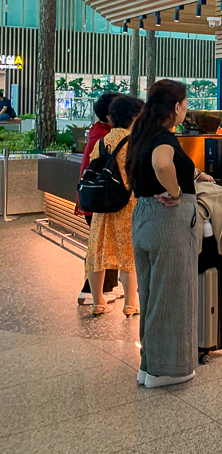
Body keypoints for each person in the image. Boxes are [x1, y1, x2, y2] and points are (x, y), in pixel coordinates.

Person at [127, 79, 214, 388]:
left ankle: (149, 364)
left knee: (151, 294)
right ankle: (169, 370)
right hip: (168, 220)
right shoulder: (163, 137)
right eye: (186, 103)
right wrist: (175, 190)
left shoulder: (141, 132)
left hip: (144, 217)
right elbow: (163, 164)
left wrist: (197, 174)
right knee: (173, 294)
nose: (186, 109)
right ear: (176, 107)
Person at [86, 95, 144, 316]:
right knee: (128, 255)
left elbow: (93, 165)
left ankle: (98, 301)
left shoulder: (102, 140)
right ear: (134, 117)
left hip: (103, 205)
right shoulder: (136, 142)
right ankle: (130, 303)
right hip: (128, 204)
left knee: (98, 253)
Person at [75, 91, 123, 306]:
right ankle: (89, 292)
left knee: (105, 244)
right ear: (111, 115)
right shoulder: (107, 136)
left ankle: (105, 288)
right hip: (101, 199)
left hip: (96, 197)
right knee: (101, 247)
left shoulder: (99, 132)